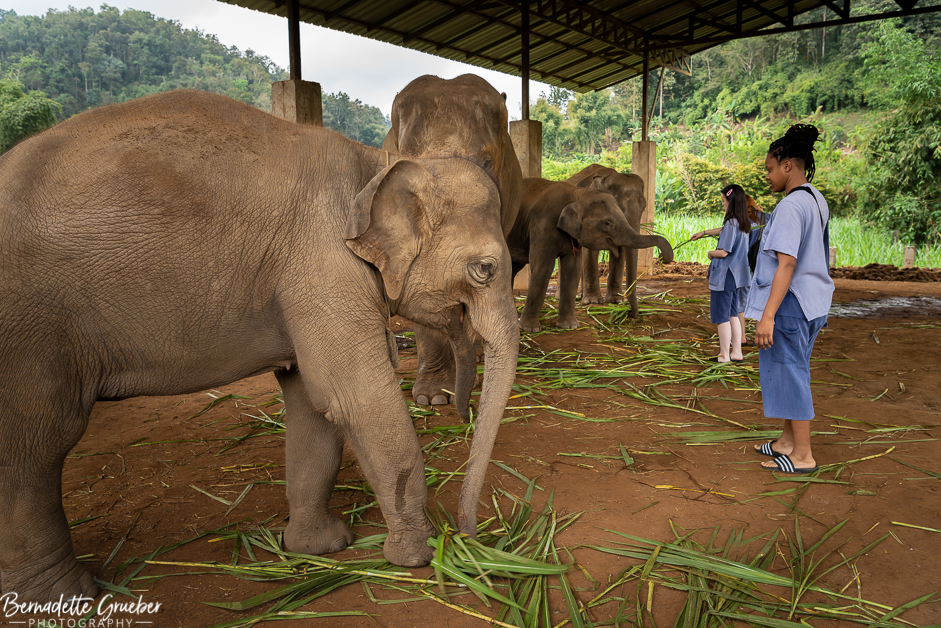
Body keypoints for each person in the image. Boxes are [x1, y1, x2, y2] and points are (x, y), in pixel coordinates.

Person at [745, 124, 833, 474]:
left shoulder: (791, 206)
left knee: (791, 372)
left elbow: (787, 263)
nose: (767, 176)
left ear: (786, 165)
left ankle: (802, 455)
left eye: (769, 168)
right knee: (792, 369)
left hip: (791, 305)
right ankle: (786, 442)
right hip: (813, 301)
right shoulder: (815, 198)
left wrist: (767, 317)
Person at [691, 184, 751, 363]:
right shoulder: (742, 222)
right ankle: (736, 352)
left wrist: (710, 253)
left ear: (730, 202)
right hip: (738, 276)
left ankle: (724, 355)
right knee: (733, 314)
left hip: (726, 275)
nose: (723, 204)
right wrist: (704, 233)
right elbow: (725, 231)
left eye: (724, 201)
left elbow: (724, 251)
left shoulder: (731, 222)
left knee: (721, 316)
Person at [739, 194, 767, 345]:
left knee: (740, 302)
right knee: (761, 301)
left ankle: (741, 337)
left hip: (746, 265)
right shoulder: (766, 218)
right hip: (764, 266)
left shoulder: (742, 221)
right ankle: (760, 337)